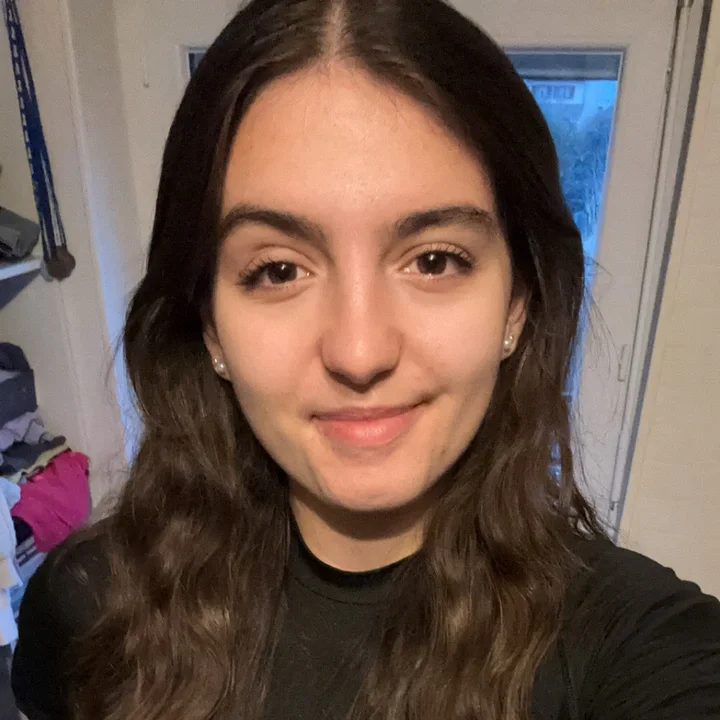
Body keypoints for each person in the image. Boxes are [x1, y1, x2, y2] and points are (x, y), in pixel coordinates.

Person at [11, 0, 720, 718]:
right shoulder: (86, 612)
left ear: (516, 305)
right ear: (211, 329)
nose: (359, 352)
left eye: (434, 260)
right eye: (279, 271)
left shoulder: (634, 645)